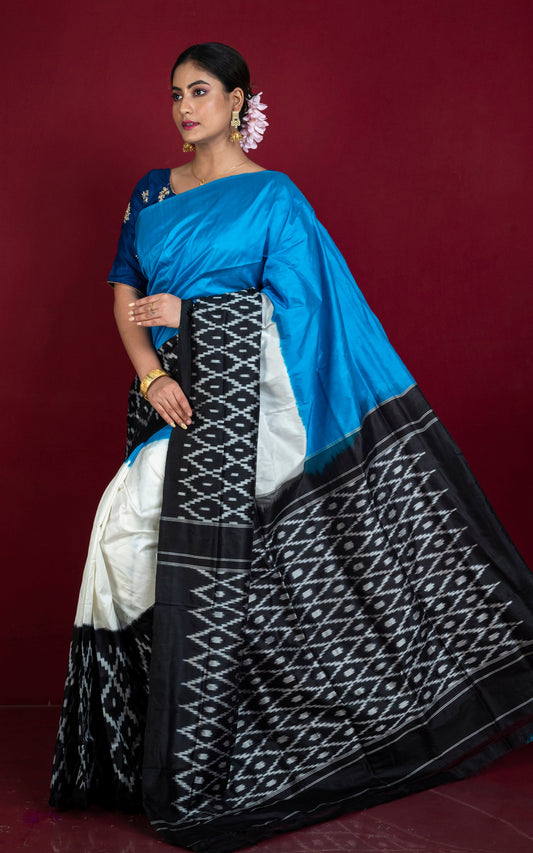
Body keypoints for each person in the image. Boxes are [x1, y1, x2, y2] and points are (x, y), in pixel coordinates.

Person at [50, 42, 533, 853]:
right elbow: (125, 288)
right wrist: (149, 375)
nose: (183, 108)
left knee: (151, 547)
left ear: (238, 101)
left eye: (200, 92)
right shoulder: (151, 191)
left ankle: (203, 753)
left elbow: (306, 316)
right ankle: (138, 754)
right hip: (169, 400)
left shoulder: (274, 197)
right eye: (175, 94)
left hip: (250, 413)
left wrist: (194, 319)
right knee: (130, 553)